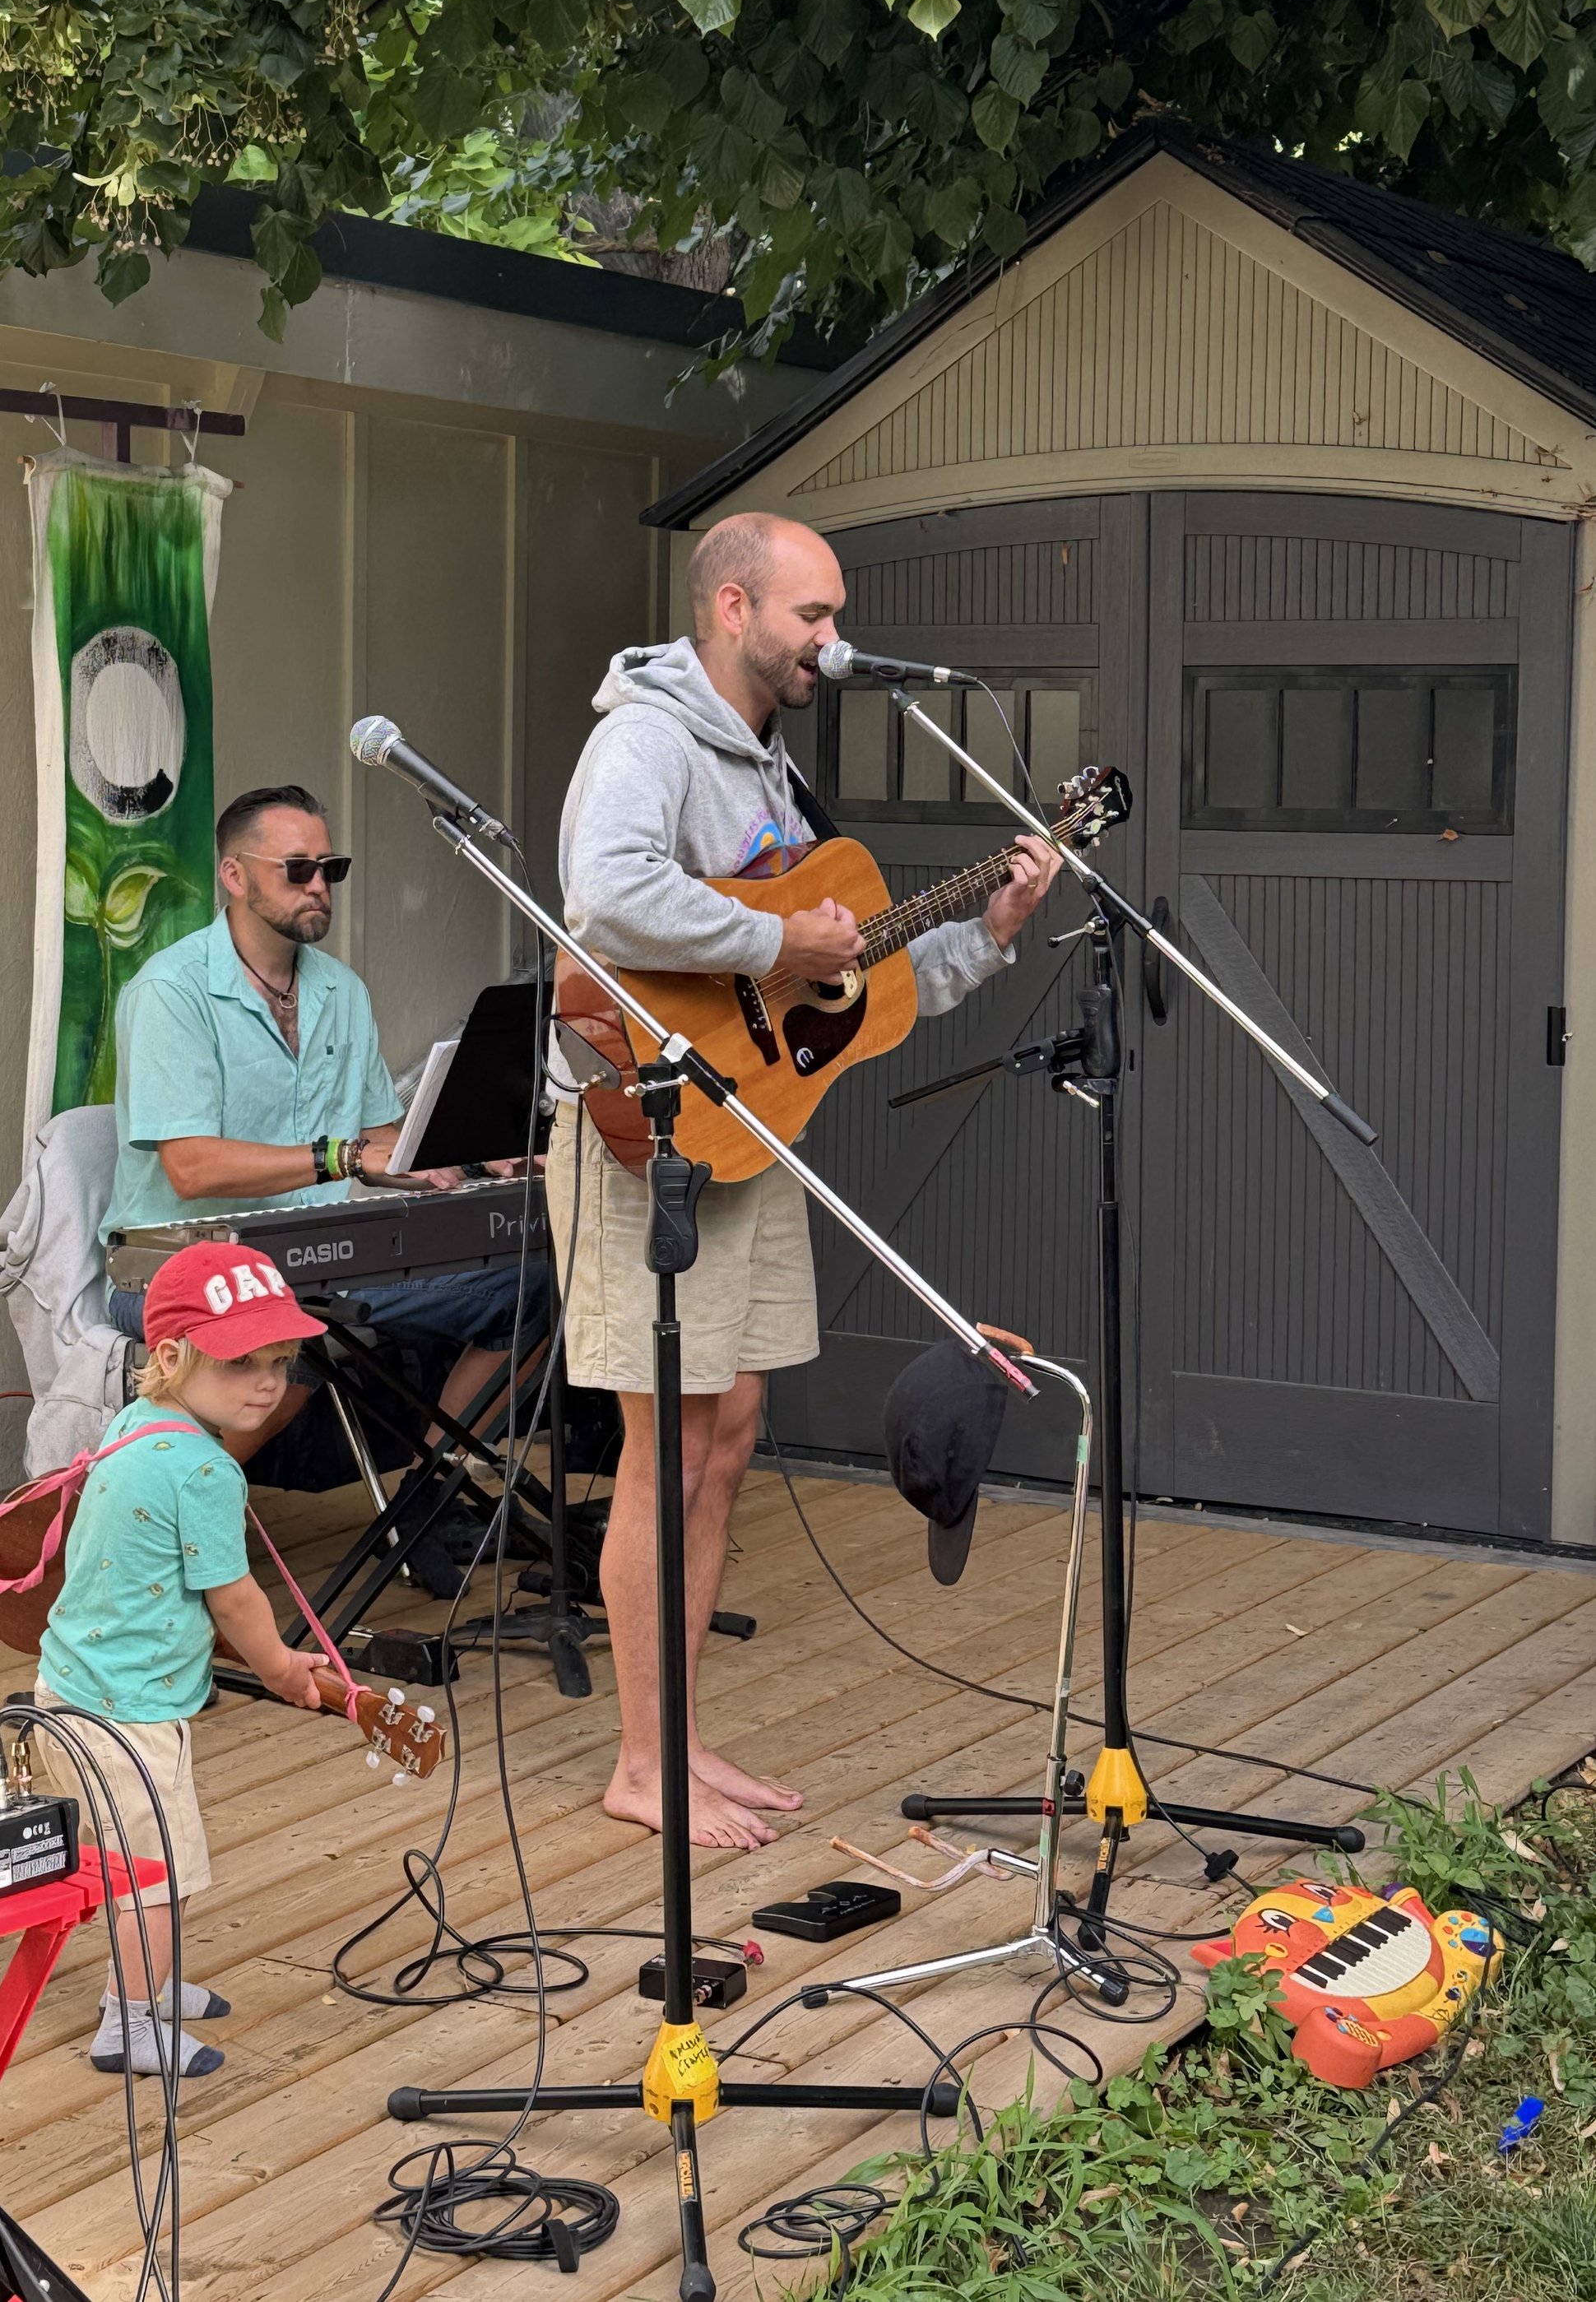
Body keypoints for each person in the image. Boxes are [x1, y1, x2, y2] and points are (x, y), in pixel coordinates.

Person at [549, 511, 1061, 1850]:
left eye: (835, 618)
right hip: (646, 1130)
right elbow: (602, 897)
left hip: (750, 1131)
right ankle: (638, 1764)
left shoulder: (770, 765)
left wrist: (990, 934)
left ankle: (679, 1737)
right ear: (731, 606)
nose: (833, 641)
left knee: (728, 1437)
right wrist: (776, 936)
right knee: (668, 1446)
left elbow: (849, 996)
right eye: (812, 615)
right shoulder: (649, 738)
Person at [100, 782, 541, 1468]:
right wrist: (343, 1156)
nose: (319, 887)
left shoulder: (342, 990)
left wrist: (478, 1157)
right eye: (297, 869)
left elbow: (388, 1143)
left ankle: (438, 1482)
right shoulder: (170, 991)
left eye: (330, 869)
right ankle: (187, 1508)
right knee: (293, 1331)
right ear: (235, 875)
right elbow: (191, 1168)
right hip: (182, 1271)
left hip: (319, 1258)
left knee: (535, 1286)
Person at [35, 1240, 327, 2077]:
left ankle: (150, 1989)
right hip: (128, 1712)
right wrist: (278, 1667)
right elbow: (233, 1596)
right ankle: (126, 2025)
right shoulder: (203, 1467)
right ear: (171, 1357)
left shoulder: (137, 1424)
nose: (268, 1383)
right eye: (242, 1363)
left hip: (75, 1686)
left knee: (149, 1863)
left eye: (280, 1361)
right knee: (158, 1876)